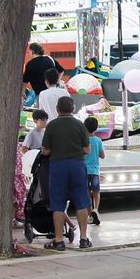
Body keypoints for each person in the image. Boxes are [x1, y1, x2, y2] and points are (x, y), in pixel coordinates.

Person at [42, 96, 92, 250]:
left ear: (57, 109)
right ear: (73, 109)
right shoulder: (79, 125)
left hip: (58, 166)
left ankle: (58, 240)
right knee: (81, 201)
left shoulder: (51, 126)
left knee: (57, 204)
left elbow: (45, 150)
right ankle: (83, 238)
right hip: (77, 165)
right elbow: (87, 149)